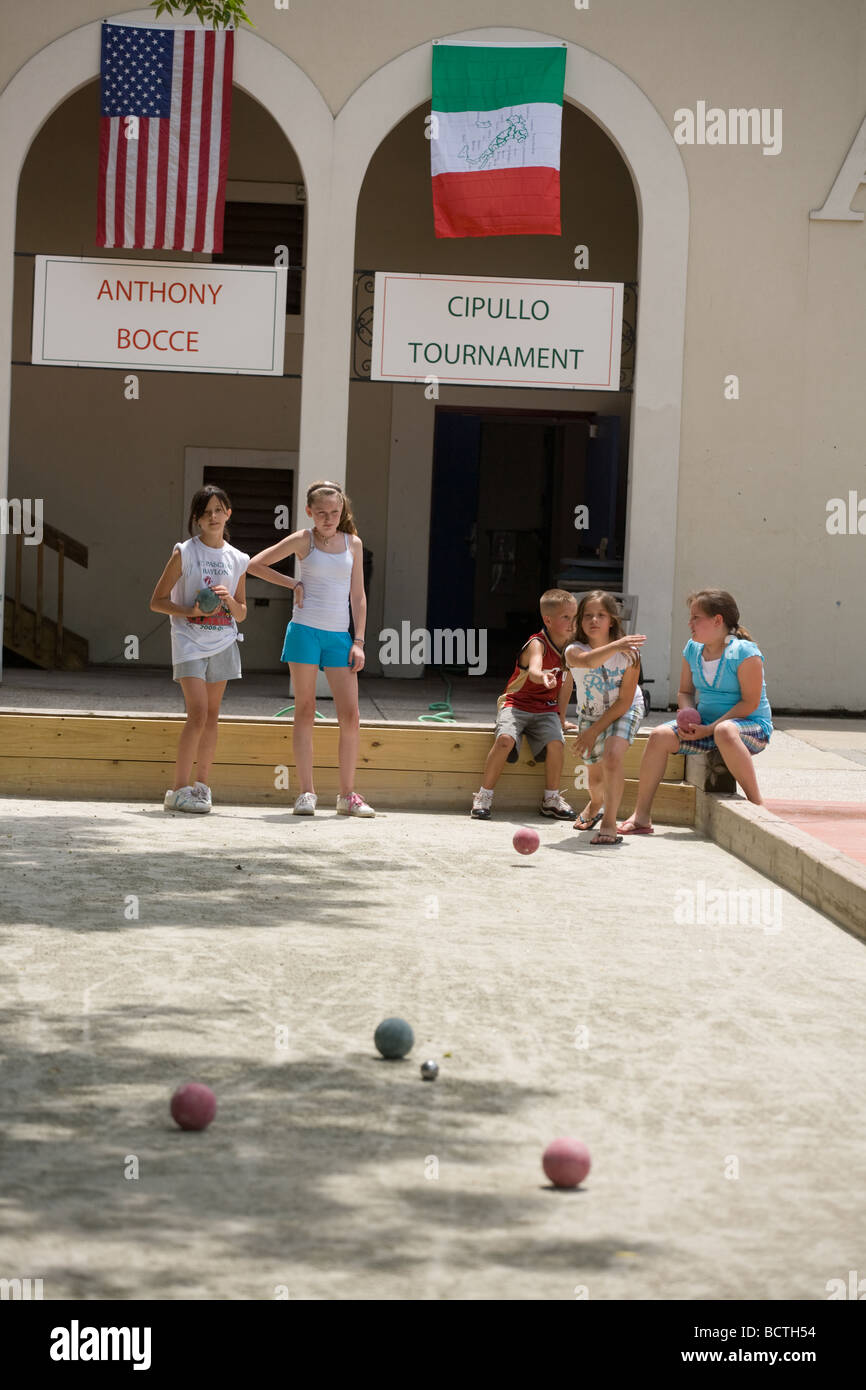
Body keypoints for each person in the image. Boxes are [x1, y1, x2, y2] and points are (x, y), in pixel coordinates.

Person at [246, 480, 374, 817]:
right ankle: (306, 793)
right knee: (305, 709)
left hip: (339, 638)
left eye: (334, 512)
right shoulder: (304, 539)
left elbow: (357, 596)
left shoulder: (353, 544)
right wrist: (293, 583)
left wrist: (358, 641)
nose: (328, 518)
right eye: (321, 513)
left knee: (351, 715)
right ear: (309, 512)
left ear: (342, 510)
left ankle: (347, 795)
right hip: (304, 632)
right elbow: (254, 564)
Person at [620, 588, 773, 834]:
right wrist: (689, 716)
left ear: (718, 620)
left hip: (749, 728)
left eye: (696, 617)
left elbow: (749, 703)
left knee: (724, 731)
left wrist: (709, 729)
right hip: (706, 728)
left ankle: (758, 806)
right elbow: (685, 692)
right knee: (659, 736)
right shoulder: (692, 649)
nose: (689, 623)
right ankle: (641, 816)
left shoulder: (745, 653)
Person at [150, 484, 248, 813]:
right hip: (189, 641)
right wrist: (192, 611)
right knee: (198, 713)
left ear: (229, 513)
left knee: (212, 716)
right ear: (197, 519)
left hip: (223, 641)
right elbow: (157, 602)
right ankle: (177, 790)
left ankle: (202, 786)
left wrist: (229, 600)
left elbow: (242, 613)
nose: (213, 516)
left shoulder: (238, 559)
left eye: (219, 510)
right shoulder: (185, 552)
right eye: (206, 512)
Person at [470, 589, 578, 821]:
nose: (572, 623)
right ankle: (483, 796)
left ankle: (551, 799)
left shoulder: (571, 649)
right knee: (505, 740)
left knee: (557, 743)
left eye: (574, 617)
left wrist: (560, 718)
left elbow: (567, 685)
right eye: (565, 617)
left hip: (546, 707)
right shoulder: (537, 644)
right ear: (548, 620)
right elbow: (536, 669)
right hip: (516, 704)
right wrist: (542, 677)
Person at [564, 591, 647, 846]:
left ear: (612, 620)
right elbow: (588, 662)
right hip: (590, 713)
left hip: (625, 708)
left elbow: (623, 701)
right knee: (595, 778)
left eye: (601, 615)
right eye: (587, 615)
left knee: (612, 758)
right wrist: (589, 729)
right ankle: (597, 802)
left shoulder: (629, 654)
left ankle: (609, 823)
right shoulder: (573, 650)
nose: (594, 620)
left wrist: (593, 731)